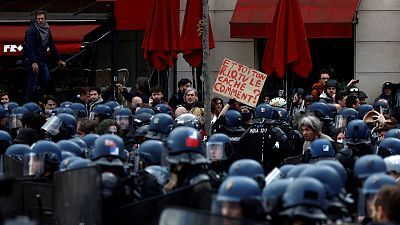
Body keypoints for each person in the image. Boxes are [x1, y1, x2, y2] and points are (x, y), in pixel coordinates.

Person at [24, 11, 66, 102]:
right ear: (36, 19)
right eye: (38, 19)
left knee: (46, 79)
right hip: (33, 60)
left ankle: (41, 99)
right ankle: (29, 103)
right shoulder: (32, 30)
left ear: (45, 19)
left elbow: (52, 45)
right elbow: (29, 47)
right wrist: (33, 62)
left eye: (42, 19)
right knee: (32, 83)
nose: (40, 20)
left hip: (42, 59)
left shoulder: (47, 29)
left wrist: (58, 60)